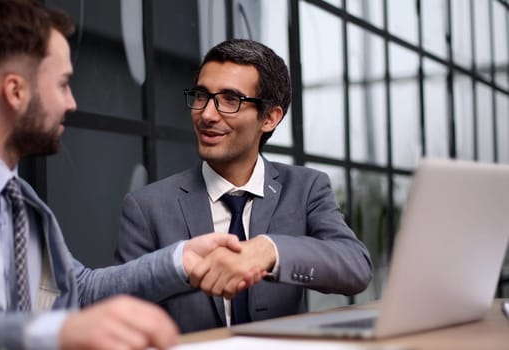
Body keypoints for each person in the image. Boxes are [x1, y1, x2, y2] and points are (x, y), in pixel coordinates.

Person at [0, 2, 261, 349]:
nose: (72, 102)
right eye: (64, 84)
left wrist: (180, 260)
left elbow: (77, 289)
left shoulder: (21, 198)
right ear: (15, 91)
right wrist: (56, 332)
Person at [114, 39, 374, 333]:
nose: (208, 115)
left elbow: (356, 267)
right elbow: (125, 312)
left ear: (270, 118)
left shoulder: (306, 188)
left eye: (230, 99)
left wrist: (269, 250)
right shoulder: (147, 207)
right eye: (201, 96)